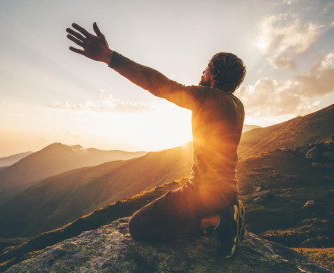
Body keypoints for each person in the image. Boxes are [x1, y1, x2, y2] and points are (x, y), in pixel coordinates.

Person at [66, 22, 246, 258]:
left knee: (138, 227)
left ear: (215, 72)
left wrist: (110, 57)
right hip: (227, 191)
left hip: (203, 191)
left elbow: (161, 86)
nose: (201, 73)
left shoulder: (208, 97)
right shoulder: (236, 105)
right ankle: (222, 215)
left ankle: (215, 222)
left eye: (205, 68)